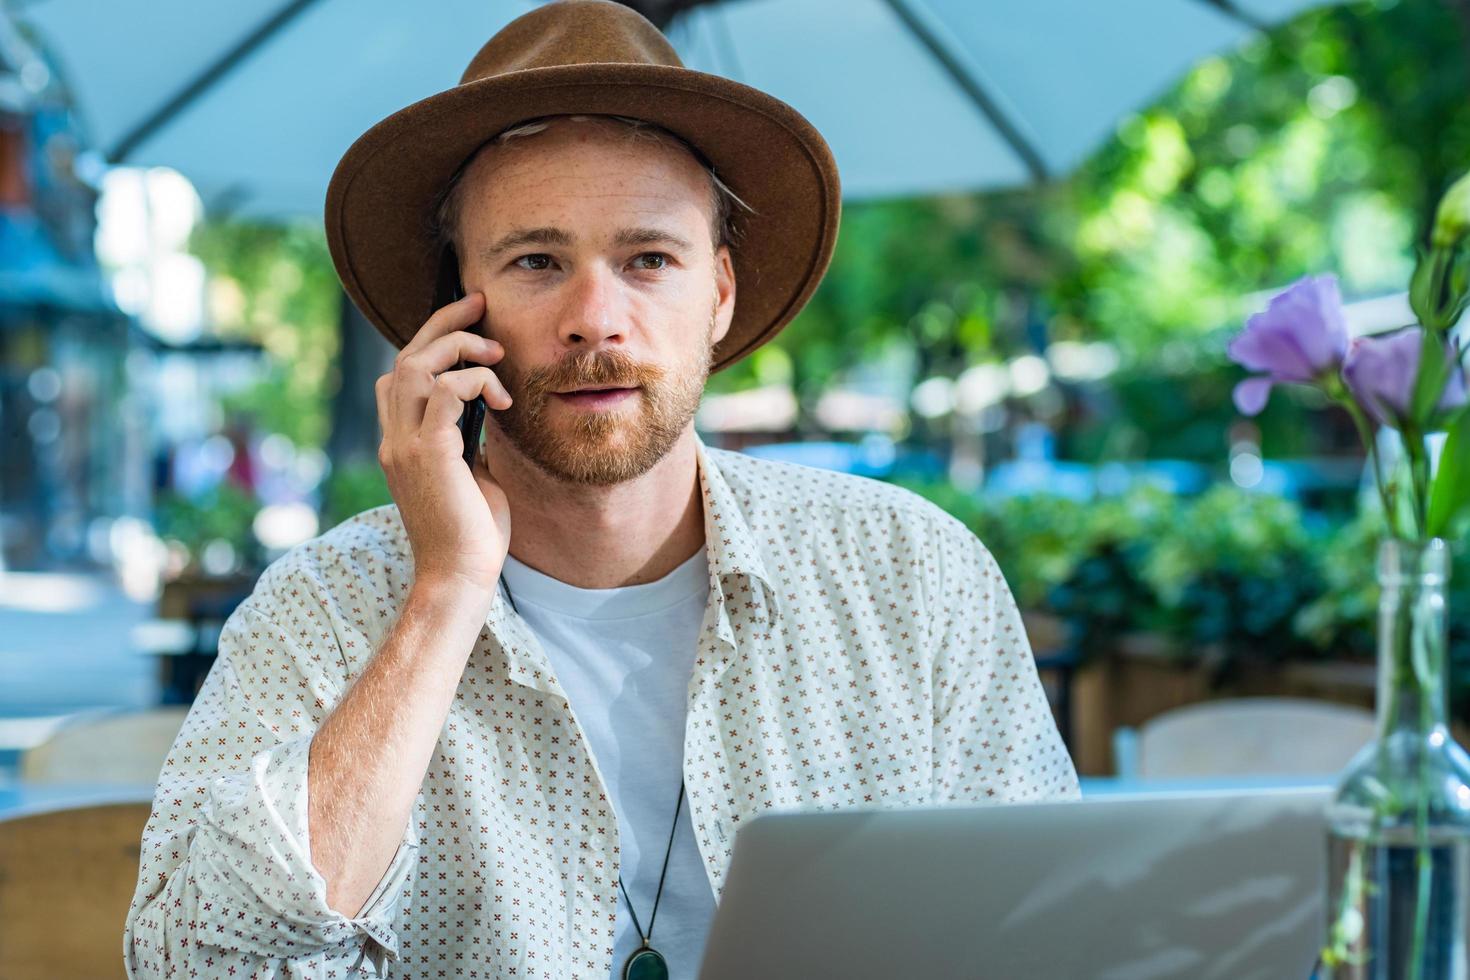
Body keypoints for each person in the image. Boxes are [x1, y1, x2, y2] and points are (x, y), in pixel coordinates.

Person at [123, 3, 1079, 978]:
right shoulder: (323, 607)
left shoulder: (912, 573)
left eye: (648, 260)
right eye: (537, 261)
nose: (596, 319)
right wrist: (445, 592)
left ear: (719, 294)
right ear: (455, 309)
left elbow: (1051, 931)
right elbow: (201, 961)